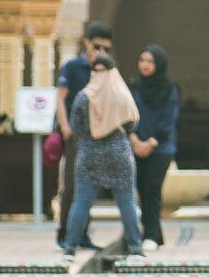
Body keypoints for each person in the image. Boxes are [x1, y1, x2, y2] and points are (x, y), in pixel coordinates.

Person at [62, 54, 148, 263]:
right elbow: (132, 124)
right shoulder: (121, 94)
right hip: (118, 152)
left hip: (90, 152)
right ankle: (136, 248)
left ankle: (69, 249)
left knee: (82, 201)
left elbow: (76, 126)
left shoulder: (84, 96)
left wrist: (94, 133)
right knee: (126, 201)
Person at [53, 22, 114, 248]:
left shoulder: (104, 70)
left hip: (96, 135)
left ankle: (82, 234)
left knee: (90, 185)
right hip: (76, 135)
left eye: (106, 49)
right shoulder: (72, 67)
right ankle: (64, 233)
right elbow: (60, 98)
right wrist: (65, 127)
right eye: (97, 46)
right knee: (71, 185)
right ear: (87, 42)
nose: (100, 52)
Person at [131, 44, 180, 250]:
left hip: (161, 147)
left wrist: (150, 143)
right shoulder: (133, 86)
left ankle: (150, 235)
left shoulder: (169, 88)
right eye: (142, 60)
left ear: (158, 64)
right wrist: (134, 140)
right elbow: (127, 113)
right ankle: (153, 235)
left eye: (150, 61)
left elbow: (169, 118)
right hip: (136, 144)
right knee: (142, 190)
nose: (145, 65)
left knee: (152, 188)